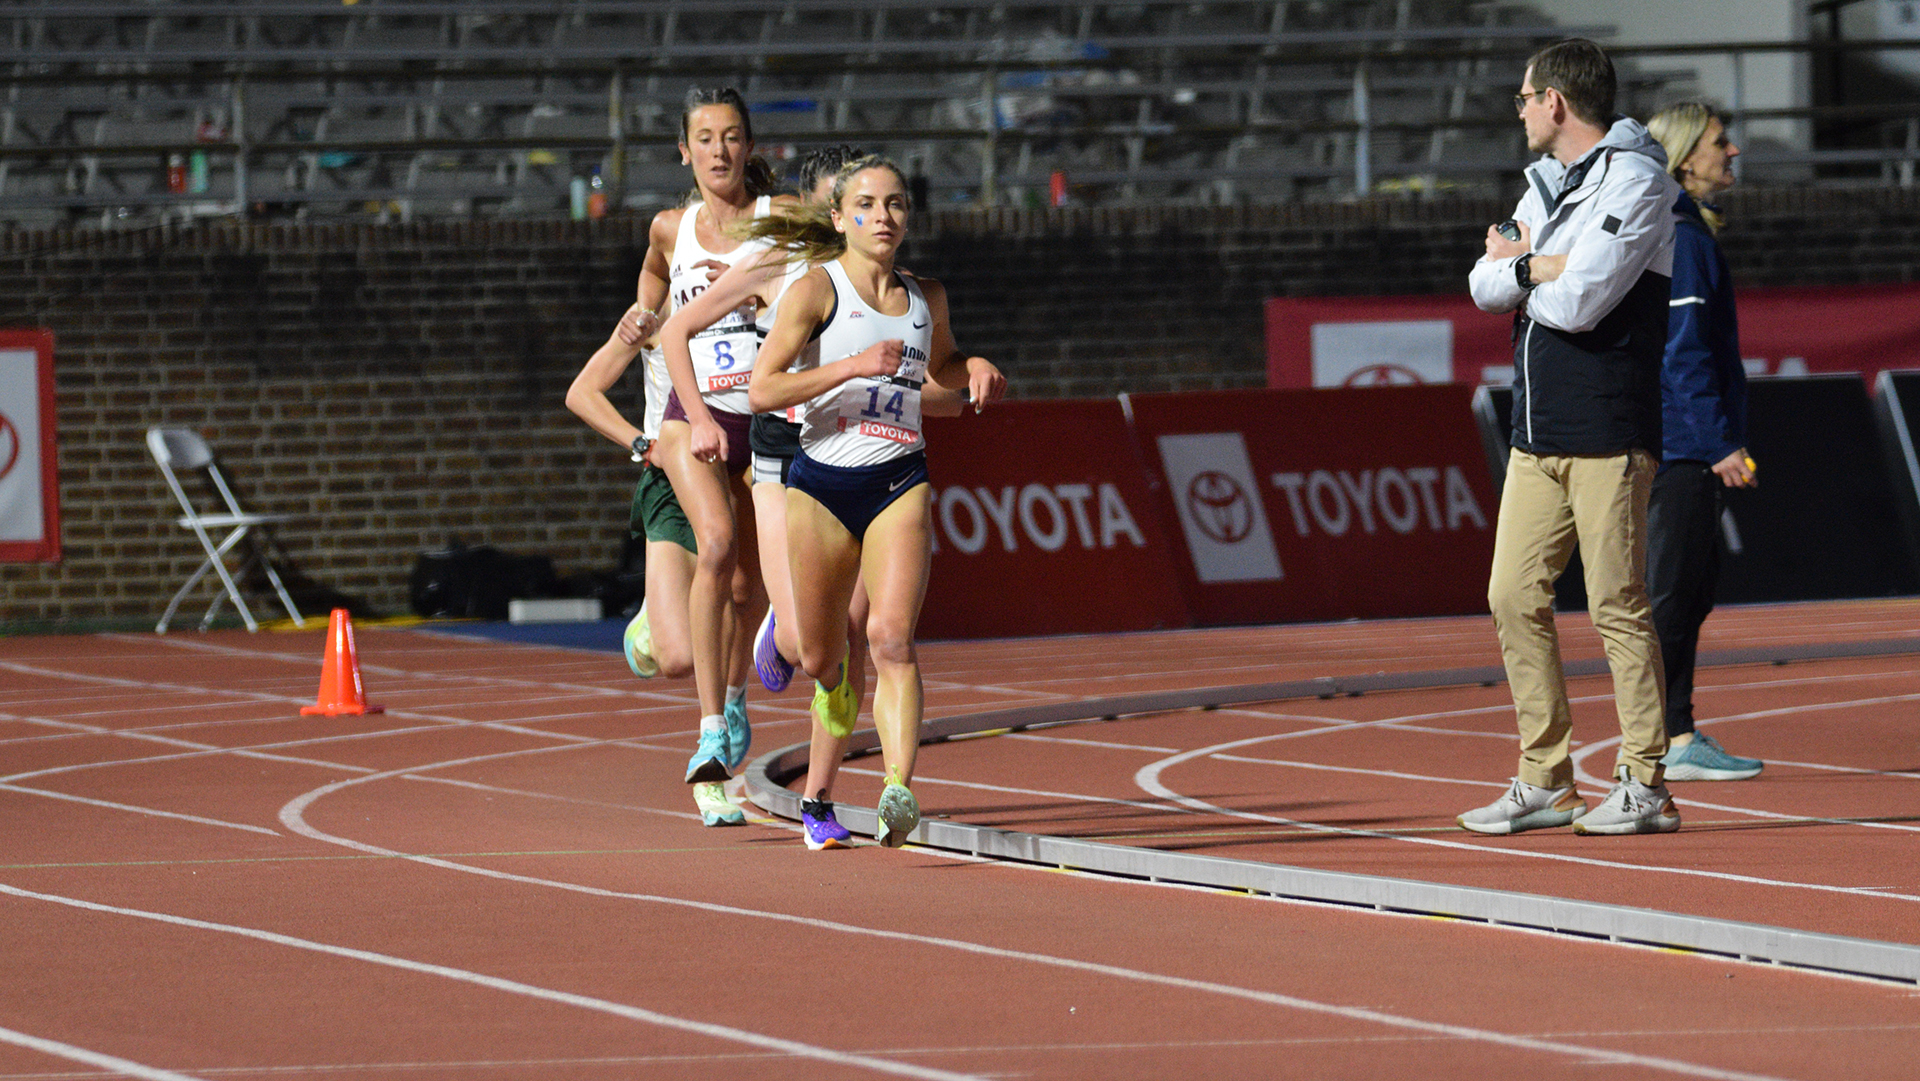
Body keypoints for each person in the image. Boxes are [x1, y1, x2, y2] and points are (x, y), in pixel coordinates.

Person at [1460, 39, 1684, 836]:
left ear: (1555, 102)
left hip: (1607, 429)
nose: (1518, 110)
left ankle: (1646, 781)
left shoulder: (1639, 180)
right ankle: (1546, 778)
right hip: (1536, 433)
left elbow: (1584, 301)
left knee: (1617, 604)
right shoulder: (1543, 184)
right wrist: (1534, 267)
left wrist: (1527, 267)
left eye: (1524, 97)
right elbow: (1487, 285)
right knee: (1511, 594)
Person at [747, 155, 1004, 847]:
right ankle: (801, 670)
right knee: (824, 659)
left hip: (899, 478)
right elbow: (763, 391)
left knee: (891, 636)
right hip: (822, 485)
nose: (882, 217)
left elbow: (941, 371)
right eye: (866, 205)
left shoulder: (927, 298)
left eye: (895, 205)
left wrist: (972, 368)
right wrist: (852, 367)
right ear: (839, 218)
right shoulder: (814, 291)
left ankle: (897, 787)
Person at [566, 87, 783, 827]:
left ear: (750, 146)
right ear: (683, 151)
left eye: (732, 136)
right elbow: (653, 307)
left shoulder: (778, 225)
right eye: (705, 138)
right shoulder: (669, 231)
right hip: (685, 431)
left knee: (744, 589)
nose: (720, 150)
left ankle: (726, 729)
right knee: (693, 623)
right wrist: (645, 327)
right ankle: (707, 721)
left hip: (755, 420)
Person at [1643, 101, 1764, 782]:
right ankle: (1662, 736)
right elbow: (1682, 353)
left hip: (1687, 443)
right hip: (1682, 446)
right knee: (1672, 593)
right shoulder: (1683, 237)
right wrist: (1720, 444)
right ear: (1687, 157)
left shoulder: (1687, 231)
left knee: (1690, 591)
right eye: (1722, 141)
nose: (1734, 151)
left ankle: (1673, 729)